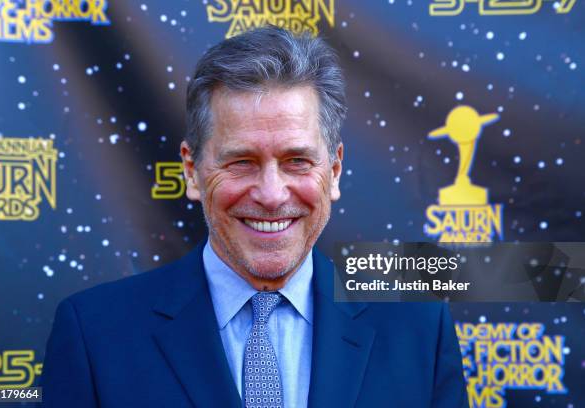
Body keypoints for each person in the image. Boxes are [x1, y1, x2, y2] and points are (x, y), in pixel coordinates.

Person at [42, 26, 468, 408]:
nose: (270, 194)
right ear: (192, 171)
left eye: (297, 161)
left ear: (334, 171)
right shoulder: (95, 335)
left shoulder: (418, 326)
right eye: (242, 162)